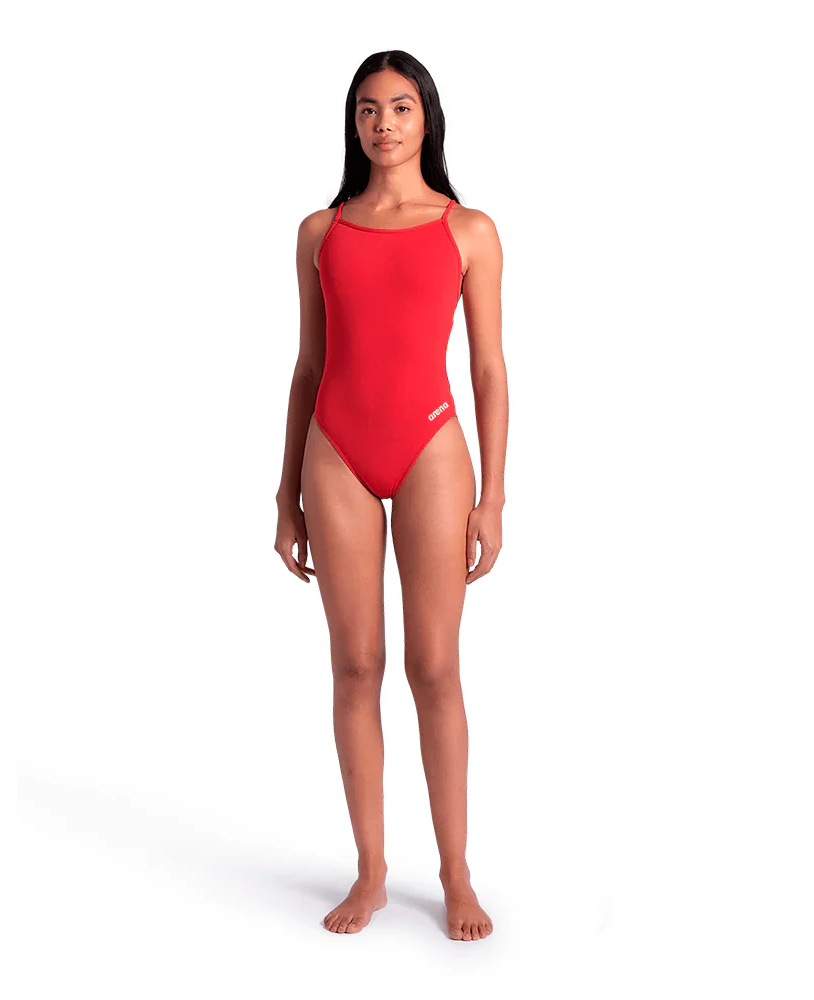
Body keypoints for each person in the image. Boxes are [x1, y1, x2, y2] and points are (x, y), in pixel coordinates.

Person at [273, 50, 507, 942]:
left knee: (434, 667)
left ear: (427, 118)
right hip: (335, 451)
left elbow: (489, 370)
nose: (384, 124)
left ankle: (456, 873)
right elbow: (308, 366)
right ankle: (371, 872)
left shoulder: (468, 229)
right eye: (368, 109)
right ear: (354, 123)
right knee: (355, 665)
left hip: (431, 451)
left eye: (401, 107)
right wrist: (285, 494)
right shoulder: (320, 232)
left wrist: (494, 498)